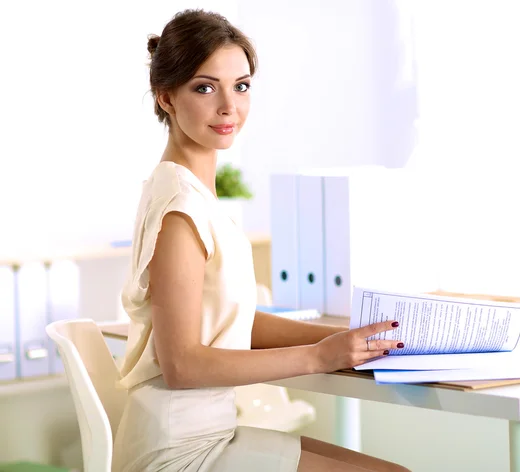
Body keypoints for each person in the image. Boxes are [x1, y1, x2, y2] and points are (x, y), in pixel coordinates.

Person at [112, 8, 411, 472]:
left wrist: (345, 339)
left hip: (209, 430)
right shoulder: (179, 208)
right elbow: (183, 365)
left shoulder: (191, 191)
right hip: (178, 451)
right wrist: (318, 356)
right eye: (205, 87)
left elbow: (235, 322)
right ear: (166, 97)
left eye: (242, 85)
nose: (229, 106)